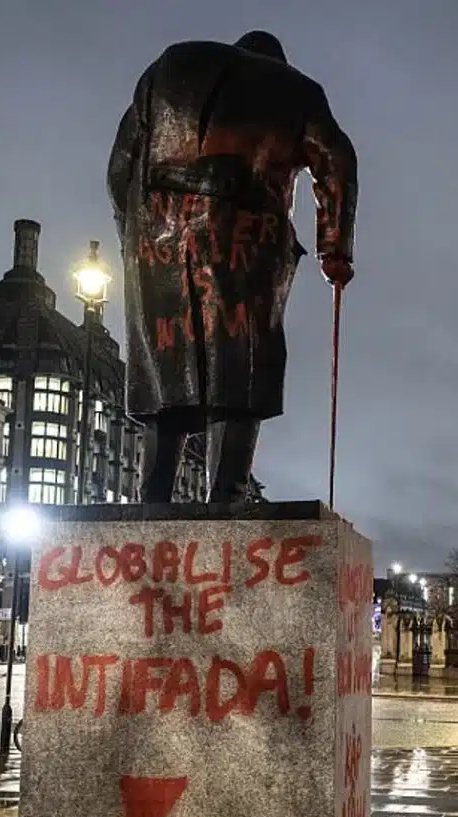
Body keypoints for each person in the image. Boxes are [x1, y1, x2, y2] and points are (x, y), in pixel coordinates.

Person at [108, 29, 358, 503]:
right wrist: (335, 249)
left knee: (167, 370)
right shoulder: (297, 90)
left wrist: (134, 233)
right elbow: (336, 162)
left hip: (155, 242)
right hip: (244, 239)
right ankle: (227, 495)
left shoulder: (168, 65)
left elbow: (120, 165)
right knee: (240, 367)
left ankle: (153, 496)